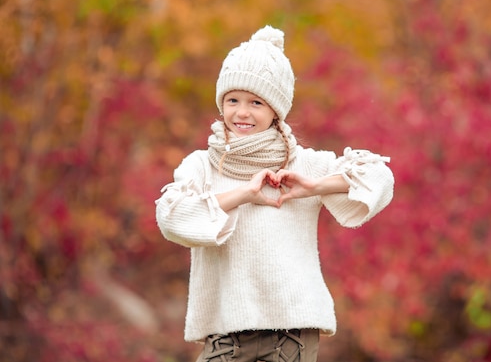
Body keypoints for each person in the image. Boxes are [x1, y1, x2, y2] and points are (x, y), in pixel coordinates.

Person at [155, 25, 394, 362]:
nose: (241, 112)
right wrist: (243, 195)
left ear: (276, 110)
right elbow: (170, 217)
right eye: (233, 99)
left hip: (291, 337)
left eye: (256, 102)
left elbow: (380, 177)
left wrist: (314, 186)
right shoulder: (201, 166)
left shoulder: (302, 163)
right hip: (226, 338)